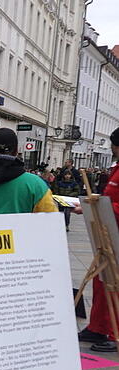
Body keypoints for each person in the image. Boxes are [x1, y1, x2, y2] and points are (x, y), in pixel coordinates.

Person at [79, 127, 119, 351]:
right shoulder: (116, 170)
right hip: (107, 235)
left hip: (116, 234)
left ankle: (114, 333)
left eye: (114, 145)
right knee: (102, 280)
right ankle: (98, 326)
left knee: (114, 284)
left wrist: (99, 205)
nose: (112, 149)